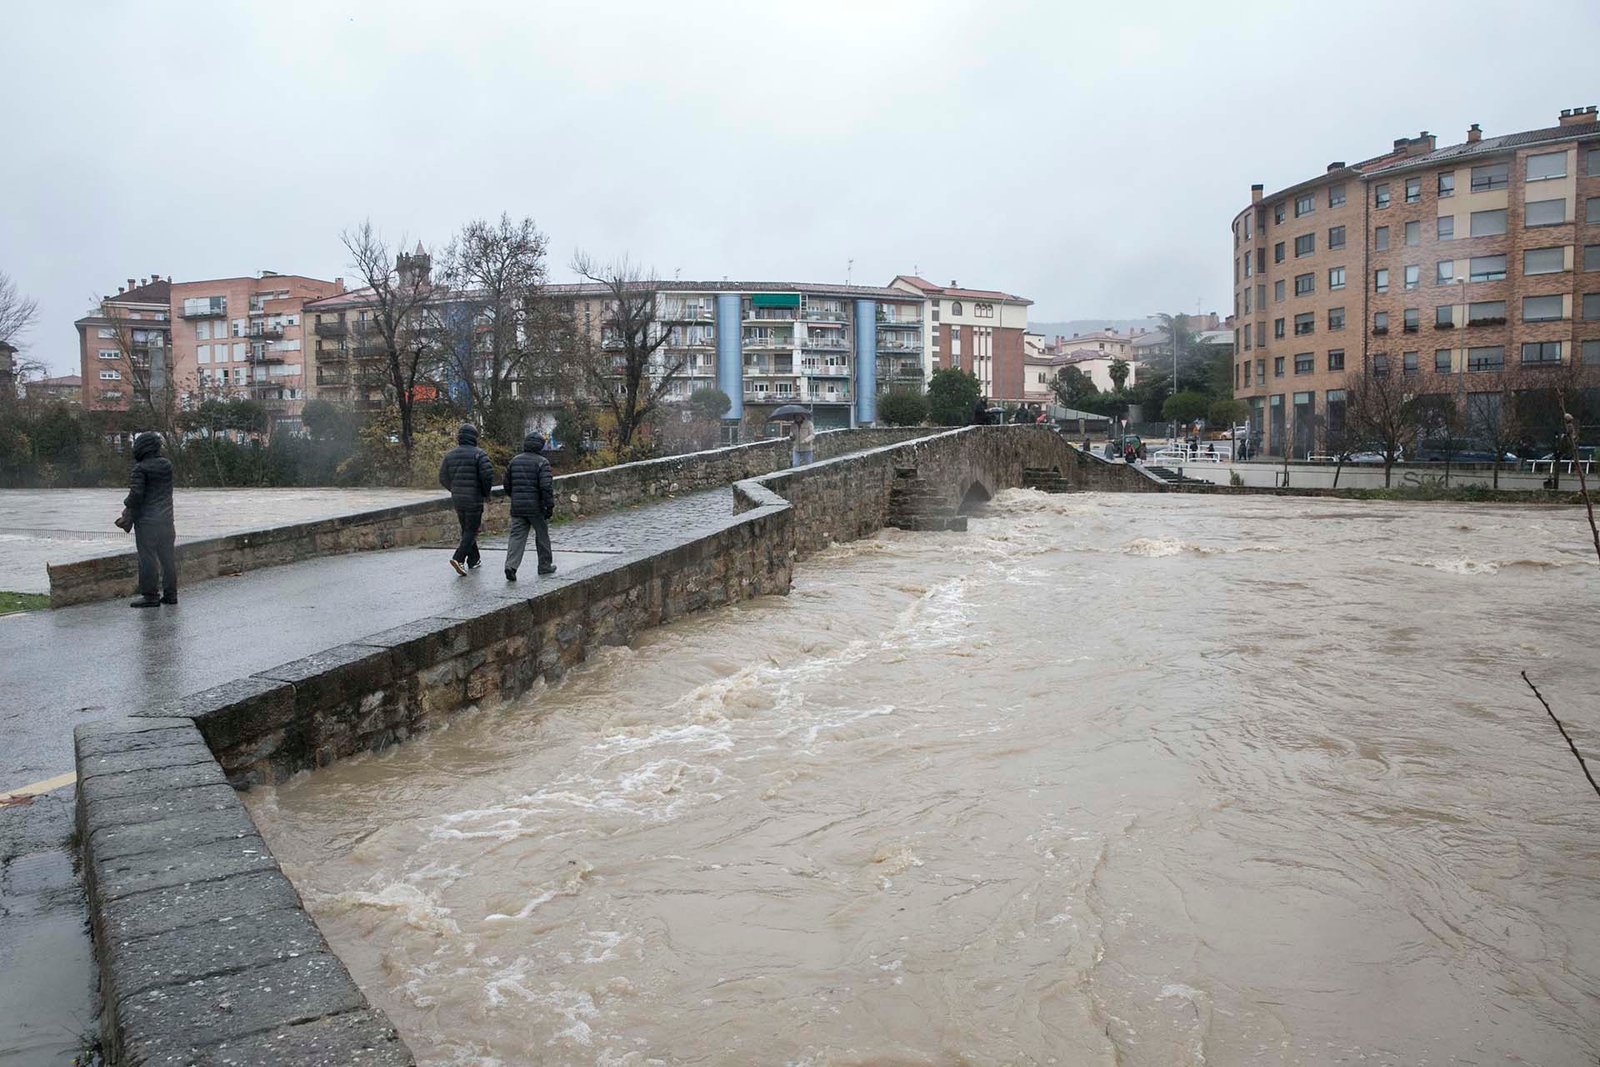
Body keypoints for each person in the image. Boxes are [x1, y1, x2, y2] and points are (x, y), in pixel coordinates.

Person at [120, 431, 177, 608]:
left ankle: (151, 596)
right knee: (168, 559)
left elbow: (136, 495)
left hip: (147, 523)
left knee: (147, 559)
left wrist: (126, 504)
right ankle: (171, 594)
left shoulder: (140, 468)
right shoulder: (166, 465)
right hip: (167, 520)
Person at [439, 422, 494, 576]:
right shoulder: (479, 454)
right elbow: (487, 476)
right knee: (472, 530)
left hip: (458, 499)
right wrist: (485, 493)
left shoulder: (450, 455)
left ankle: (474, 559)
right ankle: (458, 558)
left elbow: (442, 477)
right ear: (474, 437)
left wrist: (454, 489)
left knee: (466, 529)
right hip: (474, 498)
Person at [504, 431, 556, 581]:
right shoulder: (542, 462)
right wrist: (549, 506)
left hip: (518, 506)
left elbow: (507, 484)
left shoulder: (514, 461)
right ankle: (544, 565)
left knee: (517, 536)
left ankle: (511, 566)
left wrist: (515, 497)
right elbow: (546, 487)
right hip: (536, 507)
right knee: (542, 535)